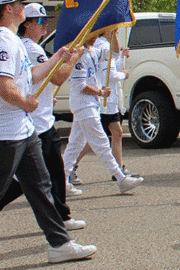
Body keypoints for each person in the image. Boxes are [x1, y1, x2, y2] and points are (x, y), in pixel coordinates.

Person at [0, 0, 97, 263]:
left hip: (23, 131)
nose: (22, 8)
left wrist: (56, 58)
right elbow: (4, 86)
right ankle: (60, 242)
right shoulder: (2, 41)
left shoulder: (12, 40)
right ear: (8, 9)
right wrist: (25, 103)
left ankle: (60, 244)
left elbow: (31, 75)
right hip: (5, 133)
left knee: (40, 186)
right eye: (19, 4)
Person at [61, 35, 143, 194]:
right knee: (101, 142)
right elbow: (80, 85)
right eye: (90, 35)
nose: (93, 38)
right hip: (84, 104)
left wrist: (113, 32)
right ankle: (120, 178)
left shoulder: (93, 51)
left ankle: (61, 180)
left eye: (95, 34)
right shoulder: (78, 54)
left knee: (75, 144)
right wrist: (100, 92)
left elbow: (114, 54)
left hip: (91, 104)